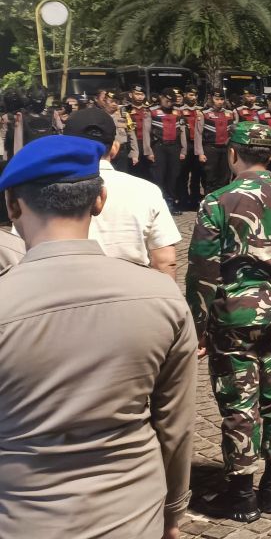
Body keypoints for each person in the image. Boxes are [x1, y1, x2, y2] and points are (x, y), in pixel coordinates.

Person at [0, 135, 196, 538]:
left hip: (23, 515)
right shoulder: (163, 297)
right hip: (132, 511)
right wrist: (173, 511)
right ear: (99, 200)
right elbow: (175, 425)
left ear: (13, 204)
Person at [186, 121, 271, 523]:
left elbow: (202, 270)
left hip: (232, 318)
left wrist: (199, 325)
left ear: (232, 154)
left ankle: (242, 494)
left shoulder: (217, 202)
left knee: (239, 401)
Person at [63, 108, 182, 275]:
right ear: (115, 148)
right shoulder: (146, 191)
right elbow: (165, 261)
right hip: (133, 291)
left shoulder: (39, 192)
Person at [143, 88, 188, 215]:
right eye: (166, 100)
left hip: (174, 147)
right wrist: (148, 151)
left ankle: (170, 203)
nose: (168, 103)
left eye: (171, 101)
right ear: (161, 98)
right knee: (158, 177)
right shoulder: (152, 112)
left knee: (173, 176)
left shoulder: (178, 112)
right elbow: (146, 132)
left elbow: (183, 132)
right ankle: (158, 205)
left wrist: (183, 150)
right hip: (158, 147)